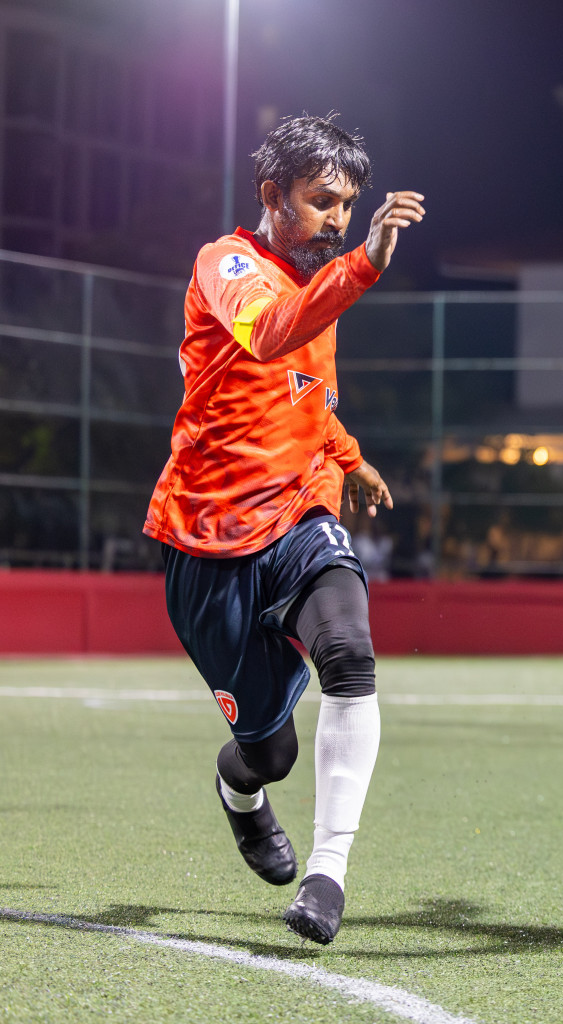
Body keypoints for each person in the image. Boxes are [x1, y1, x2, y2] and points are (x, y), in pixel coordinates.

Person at [143, 115, 423, 944]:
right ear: (272, 195)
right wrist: (367, 262)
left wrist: (350, 456)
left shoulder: (318, 284)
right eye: (320, 201)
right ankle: (243, 795)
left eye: (347, 206)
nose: (337, 220)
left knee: (350, 652)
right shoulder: (227, 265)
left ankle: (328, 876)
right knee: (269, 753)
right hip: (209, 539)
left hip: (302, 508)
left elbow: (308, 395)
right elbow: (269, 337)